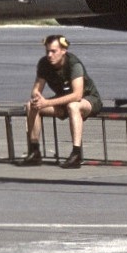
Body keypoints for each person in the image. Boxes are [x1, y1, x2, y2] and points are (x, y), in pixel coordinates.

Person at [18, 34, 101, 168]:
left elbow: (77, 95)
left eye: (53, 51)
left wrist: (48, 103)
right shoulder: (44, 63)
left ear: (63, 51)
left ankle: (76, 154)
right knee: (31, 106)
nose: (50, 55)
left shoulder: (74, 64)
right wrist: (37, 96)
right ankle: (34, 151)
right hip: (63, 101)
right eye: (47, 51)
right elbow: (36, 89)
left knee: (74, 106)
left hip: (88, 99)